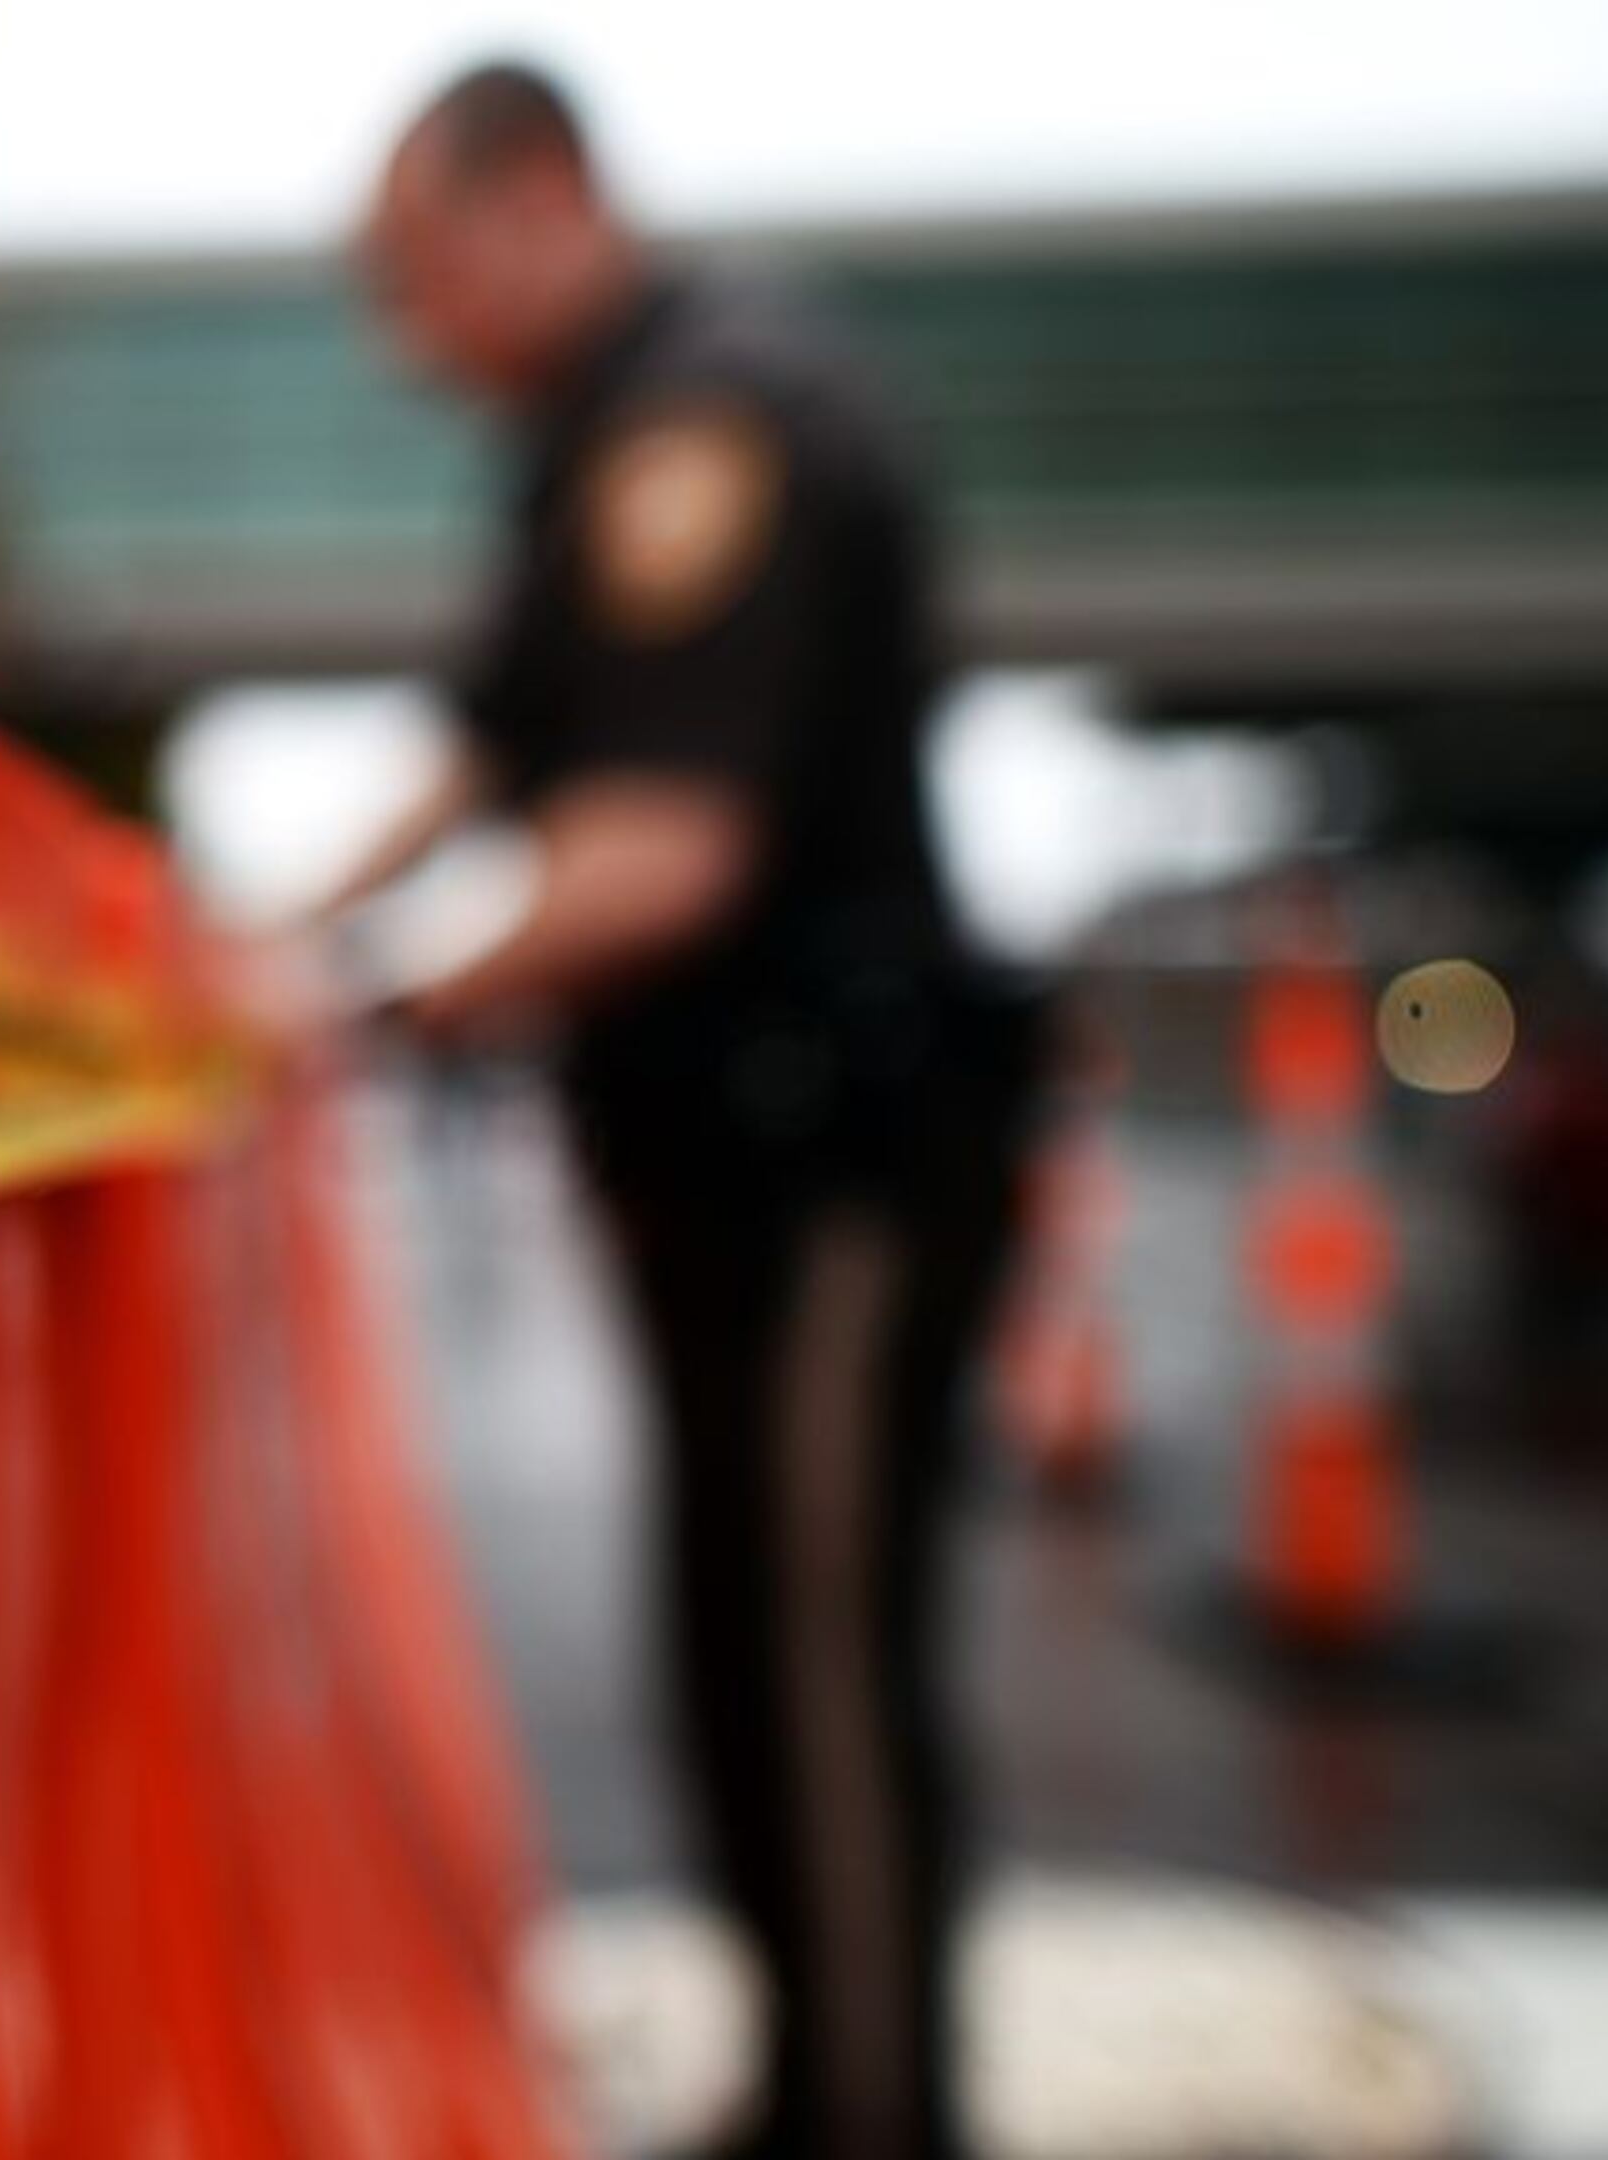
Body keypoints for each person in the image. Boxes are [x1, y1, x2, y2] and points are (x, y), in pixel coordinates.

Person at [305, 60, 1044, 2160]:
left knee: (815, 1668)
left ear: (537, 197)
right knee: (734, 1648)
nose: (411, 338)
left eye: (423, 276)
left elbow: (661, 849)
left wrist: (349, 1004)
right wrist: (257, 939)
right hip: (735, 1153)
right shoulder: (593, 450)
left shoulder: (712, 424)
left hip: (835, 1166)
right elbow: (480, 754)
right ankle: (811, 2081)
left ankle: (874, 2114)